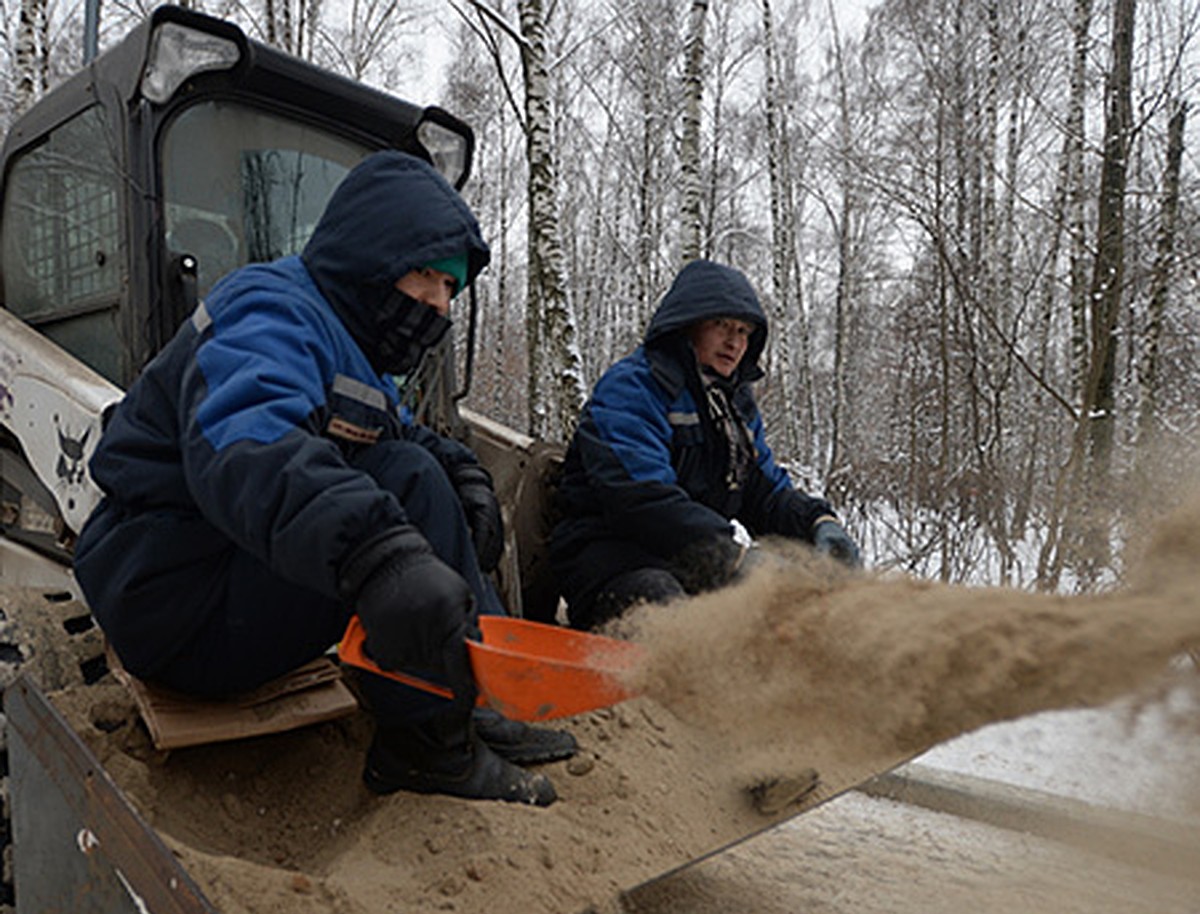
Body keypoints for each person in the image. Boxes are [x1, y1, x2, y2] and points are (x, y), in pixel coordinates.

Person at [74, 150, 576, 808]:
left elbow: (394, 433)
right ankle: (426, 749)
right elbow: (248, 442)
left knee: (422, 472)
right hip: (173, 599)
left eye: (450, 288)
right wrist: (377, 553)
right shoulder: (272, 313)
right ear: (373, 255)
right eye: (426, 275)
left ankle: (464, 699)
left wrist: (468, 478)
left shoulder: (349, 347)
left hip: (214, 573)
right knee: (405, 485)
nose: (437, 304)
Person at [550, 259, 861, 630]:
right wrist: (731, 557)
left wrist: (817, 522)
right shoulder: (634, 387)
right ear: (687, 324)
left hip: (692, 564)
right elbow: (641, 498)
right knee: (675, 620)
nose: (734, 342)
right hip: (611, 562)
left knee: (791, 619)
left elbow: (762, 492)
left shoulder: (733, 407)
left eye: (744, 331)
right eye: (721, 325)